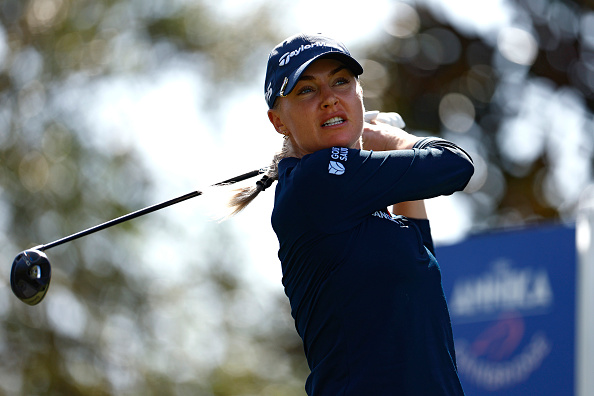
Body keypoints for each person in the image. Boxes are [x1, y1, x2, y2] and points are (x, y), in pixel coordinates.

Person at [227, 33, 474, 395]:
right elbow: (454, 165)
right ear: (278, 121)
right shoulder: (316, 179)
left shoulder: (348, 194)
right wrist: (394, 141)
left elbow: (418, 257)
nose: (329, 99)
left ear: (359, 94)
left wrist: (379, 146)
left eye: (341, 82)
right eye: (306, 90)